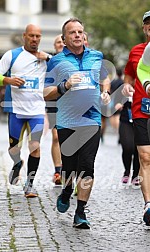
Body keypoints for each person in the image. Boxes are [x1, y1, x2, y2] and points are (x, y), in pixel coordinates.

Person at [44, 18, 110, 229]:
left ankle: (80, 211)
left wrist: (105, 91)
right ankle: (66, 190)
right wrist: (65, 85)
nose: (78, 35)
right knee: (70, 168)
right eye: (72, 32)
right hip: (67, 122)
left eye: (80, 31)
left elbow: (105, 78)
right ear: (64, 39)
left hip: (92, 120)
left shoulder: (97, 56)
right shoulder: (56, 61)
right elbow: (46, 93)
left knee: (87, 166)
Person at [0, 24, 49, 198]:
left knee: (35, 147)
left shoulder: (46, 58)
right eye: (31, 36)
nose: (34, 39)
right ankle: (17, 163)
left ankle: (29, 185)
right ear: (24, 36)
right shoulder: (12, 55)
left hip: (37, 111)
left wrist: (50, 58)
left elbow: (63, 66)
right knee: (13, 148)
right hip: (16, 110)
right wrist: (8, 80)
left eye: (38, 36)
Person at [122, 10, 150, 226]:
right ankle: (148, 205)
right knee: (145, 157)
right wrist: (127, 86)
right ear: (143, 28)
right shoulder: (136, 52)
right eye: (148, 23)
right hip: (142, 109)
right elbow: (129, 77)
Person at [46, 34, 64, 185]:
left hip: (71, 102)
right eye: (58, 42)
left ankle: (70, 168)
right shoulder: (50, 61)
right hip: (54, 102)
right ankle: (58, 171)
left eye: (62, 42)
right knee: (57, 136)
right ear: (54, 46)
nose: (61, 44)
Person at [119, 97, 140, 185]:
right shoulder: (123, 86)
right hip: (126, 119)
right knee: (128, 146)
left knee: (138, 149)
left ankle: (136, 174)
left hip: (141, 119)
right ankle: (127, 171)